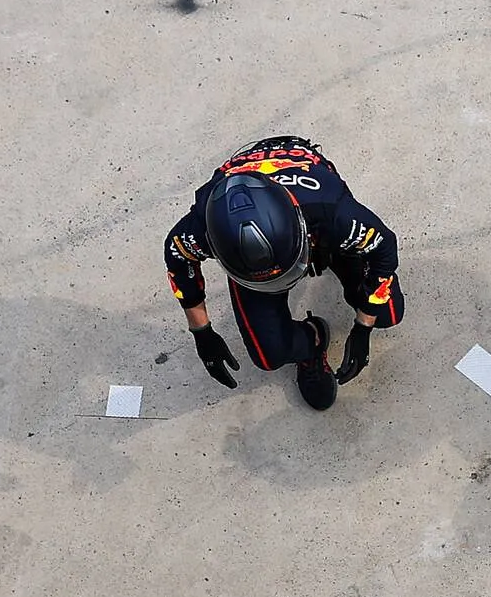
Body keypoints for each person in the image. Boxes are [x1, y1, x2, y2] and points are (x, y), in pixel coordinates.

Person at [166, 136, 405, 412]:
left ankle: (339, 258)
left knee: (386, 313)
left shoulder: (333, 211)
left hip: (315, 216)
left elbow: (384, 249)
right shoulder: (198, 229)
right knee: (269, 354)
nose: (280, 282)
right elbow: (177, 264)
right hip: (264, 250)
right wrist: (202, 332)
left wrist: (363, 327)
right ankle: (313, 340)